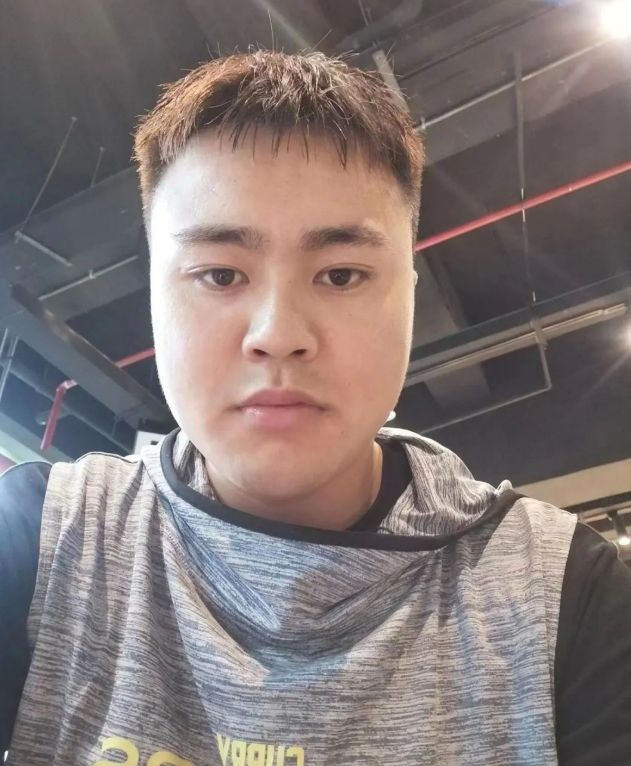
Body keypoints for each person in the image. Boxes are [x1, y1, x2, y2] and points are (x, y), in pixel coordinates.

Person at [1, 51, 630, 766]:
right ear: (155, 296)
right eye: (219, 274)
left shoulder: (560, 590)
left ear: (409, 296)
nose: (277, 335)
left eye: (340, 275)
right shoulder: (47, 536)